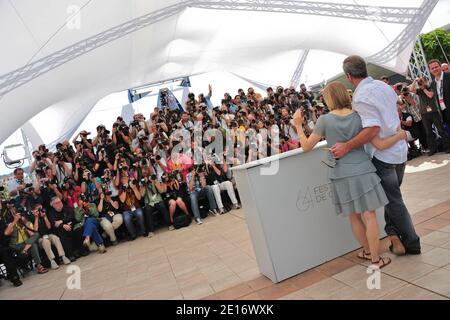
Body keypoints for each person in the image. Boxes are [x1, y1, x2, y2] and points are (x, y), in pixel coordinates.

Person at [294, 82, 407, 268]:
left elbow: (306, 146)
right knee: (369, 215)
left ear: (328, 98)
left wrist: (298, 125)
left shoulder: (324, 120)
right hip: (363, 169)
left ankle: (369, 253)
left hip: (340, 173)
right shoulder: (359, 116)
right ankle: (375, 260)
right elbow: (379, 144)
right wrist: (398, 136)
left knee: (354, 216)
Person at [331, 55, 421, 256]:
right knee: (393, 197)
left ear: (348, 75)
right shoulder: (383, 86)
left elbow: (372, 129)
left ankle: (413, 243)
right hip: (399, 150)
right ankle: (394, 236)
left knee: (394, 200)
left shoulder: (361, 96)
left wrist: (347, 146)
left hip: (384, 155)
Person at [410, 76, 450, 155]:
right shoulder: (419, 90)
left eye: (423, 81)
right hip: (424, 114)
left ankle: (448, 147)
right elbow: (411, 90)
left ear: (426, 81)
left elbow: (430, 95)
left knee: (440, 130)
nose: (422, 83)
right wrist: (415, 81)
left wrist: (423, 88)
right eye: (421, 81)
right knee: (428, 132)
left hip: (434, 112)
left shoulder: (431, 87)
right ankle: (432, 149)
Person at [4, 207, 49, 274]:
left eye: (18, 214)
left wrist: (34, 219)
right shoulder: (11, 224)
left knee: (36, 237)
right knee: (32, 244)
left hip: (25, 244)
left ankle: (38, 266)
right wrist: (15, 221)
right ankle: (38, 265)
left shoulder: (23, 222)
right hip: (16, 245)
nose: (17, 215)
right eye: (15, 214)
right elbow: (6, 233)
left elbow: (34, 232)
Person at [31, 203, 72, 269]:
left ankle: (63, 256)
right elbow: (35, 230)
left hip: (48, 235)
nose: (40, 211)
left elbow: (49, 227)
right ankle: (52, 261)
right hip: (40, 238)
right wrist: (36, 217)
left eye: (41, 209)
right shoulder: (32, 218)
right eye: (39, 209)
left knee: (55, 238)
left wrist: (44, 217)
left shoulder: (44, 215)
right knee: (45, 242)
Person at [0, 217, 23, 286]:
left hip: (4, 248)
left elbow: (6, 233)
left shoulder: (1, 222)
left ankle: (15, 278)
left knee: (6, 254)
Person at [428, 59, 450, 127]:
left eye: (436, 67)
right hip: (444, 113)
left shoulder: (448, 76)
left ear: (440, 67)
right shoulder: (432, 84)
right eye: (432, 68)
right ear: (430, 70)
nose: (434, 69)